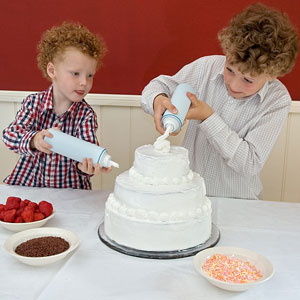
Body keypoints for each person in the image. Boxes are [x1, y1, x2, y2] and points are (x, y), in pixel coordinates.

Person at [141, 3, 299, 199]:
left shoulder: (277, 100)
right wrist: (158, 99)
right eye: (229, 70)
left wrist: (208, 117)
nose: (234, 84)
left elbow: (249, 163)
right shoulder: (205, 68)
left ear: (272, 75)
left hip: (239, 204)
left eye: (248, 80)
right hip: (190, 196)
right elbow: (157, 86)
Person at [2, 22, 109, 189]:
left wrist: (86, 167)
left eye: (90, 75)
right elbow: (10, 135)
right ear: (52, 71)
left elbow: (88, 151)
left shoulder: (86, 115)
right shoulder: (33, 103)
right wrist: (35, 140)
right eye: (75, 73)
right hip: (29, 188)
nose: (84, 82)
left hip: (69, 194)